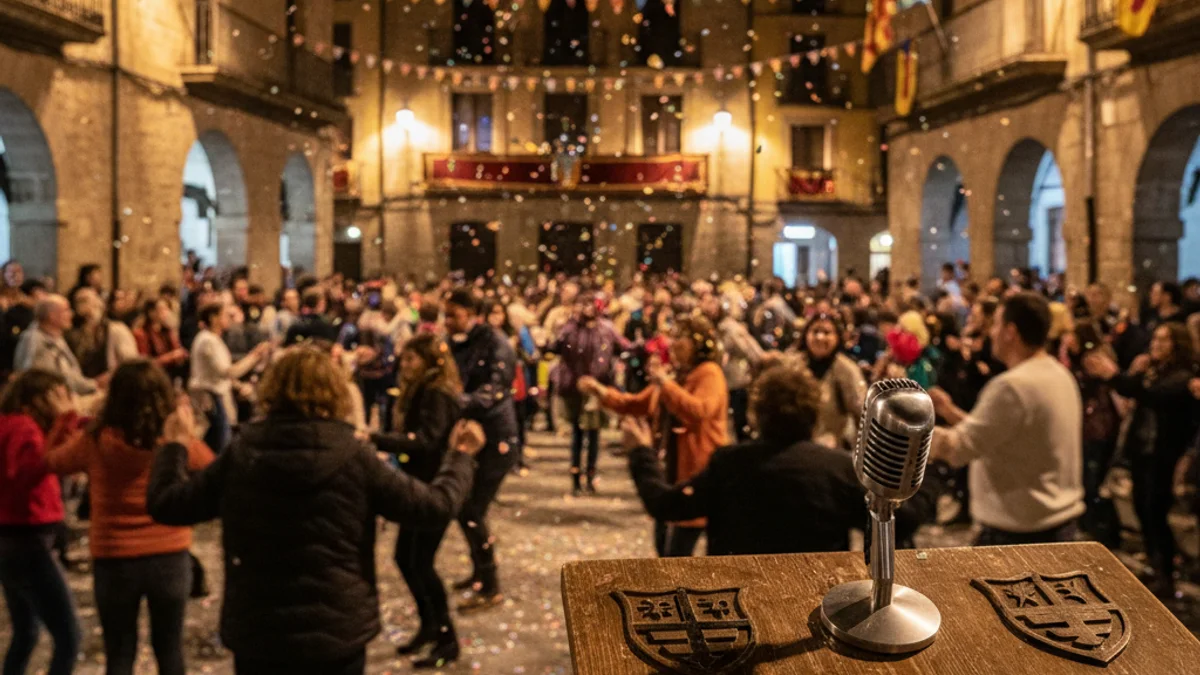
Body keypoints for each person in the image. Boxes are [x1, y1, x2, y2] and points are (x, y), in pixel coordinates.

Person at [146, 346, 482, 675]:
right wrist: (461, 456)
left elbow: (169, 505)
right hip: (337, 628)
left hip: (260, 630)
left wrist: (175, 446)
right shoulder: (353, 454)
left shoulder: (242, 453)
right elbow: (434, 507)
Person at [624, 362, 934, 555]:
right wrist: (917, 450)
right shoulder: (837, 468)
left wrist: (640, 453)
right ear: (813, 415)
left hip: (741, 603)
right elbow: (903, 518)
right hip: (814, 605)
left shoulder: (730, 464)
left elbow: (665, 504)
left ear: (756, 415)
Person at [44, 360, 214, 675]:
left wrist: (65, 418)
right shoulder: (172, 441)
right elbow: (210, 467)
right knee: (170, 650)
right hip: (169, 552)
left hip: (114, 556)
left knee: (120, 654)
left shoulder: (94, 441)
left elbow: (52, 461)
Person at [929, 292, 1085, 545]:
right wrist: (950, 411)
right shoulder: (1059, 374)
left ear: (1011, 332)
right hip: (1056, 525)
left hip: (1018, 532)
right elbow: (999, 435)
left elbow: (959, 449)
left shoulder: (1012, 386)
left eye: (997, 325)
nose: (992, 333)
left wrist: (906, 431)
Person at [580, 314, 729, 557]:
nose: (673, 343)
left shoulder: (709, 373)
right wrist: (601, 392)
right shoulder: (675, 375)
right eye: (674, 336)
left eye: (681, 337)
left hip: (697, 475)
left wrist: (665, 384)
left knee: (677, 551)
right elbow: (638, 404)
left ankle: (679, 592)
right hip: (669, 472)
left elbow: (699, 411)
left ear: (699, 344)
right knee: (665, 544)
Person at [1083, 322, 1199, 597]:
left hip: (1164, 453)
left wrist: (1114, 374)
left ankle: (1165, 574)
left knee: (1156, 511)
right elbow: (1134, 388)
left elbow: (1154, 396)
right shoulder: (1153, 370)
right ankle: (1155, 564)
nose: (1156, 344)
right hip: (1142, 450)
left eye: (1163, 340)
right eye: (1155, 339)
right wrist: (1128, 374)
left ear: (1177, 345)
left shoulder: (1182, 376)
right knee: (1143, 508)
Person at [371, 333, 464, 666]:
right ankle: (429, 626)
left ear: (428, 361)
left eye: (411, 359)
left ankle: (446, 637)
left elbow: (427, 440)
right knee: (405, 558)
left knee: (420, 562)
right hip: (418, 484)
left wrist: (377, 440)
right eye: (404, 358)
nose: (404, 364)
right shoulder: (421, 390)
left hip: (433, 487)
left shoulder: (436, 393)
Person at [443, 289, 521, 610]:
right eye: (446, 315)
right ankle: (479, 573)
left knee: (472, 510)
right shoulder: (457, 342)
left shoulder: (496, 344)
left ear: (473, 313)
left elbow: (493, 391)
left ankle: (490, 585)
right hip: (473, 436)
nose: (448, 322)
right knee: (466, 510)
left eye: (454, 315)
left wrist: (452, 402)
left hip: (496, 438)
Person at [0, 369, 82, 675]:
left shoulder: (12, 424)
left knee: (26, 632)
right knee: (69, 637)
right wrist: (66, 421)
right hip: (27, 537)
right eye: (58, 395)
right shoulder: (22, 428)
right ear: (39, 399)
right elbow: (30, 471)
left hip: (14, 537)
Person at [548, 293, 625, 494]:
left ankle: (590, 476)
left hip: (596, 388)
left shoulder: (606, 329)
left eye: (591, 304)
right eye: (584, 304)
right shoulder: (570, 328)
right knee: (577, 434)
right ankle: (575, 478)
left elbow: (623, 347)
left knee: (594, 433)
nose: (588, 308)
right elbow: (555, 347)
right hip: (574, 387)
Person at [188, 302, 270, 451]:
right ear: (213, 318)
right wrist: (255, 356)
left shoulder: (213, 339)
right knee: (219, 444)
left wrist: (239, 385)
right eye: (225, 315)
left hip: (215, 395)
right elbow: (228, 372)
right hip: (210, 396)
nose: (229, 319)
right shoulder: (207, 340)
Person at [795, 312, 866, 450]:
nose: (820, 337)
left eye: (827, 332)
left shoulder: (847, 370)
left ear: (837, 337)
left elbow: (863, 414)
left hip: (831, 452)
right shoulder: (793, 365)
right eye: (815, 332)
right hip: (796, 450)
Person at [14, 295, 104, 397]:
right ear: (52, 315)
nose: (71, 314)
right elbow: (52, 380)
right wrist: (95, 384)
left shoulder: (55, 336)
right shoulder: (34, 341)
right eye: (66, 310)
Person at [134, 298, 189, 383]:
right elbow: (144, 363)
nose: (165, 313)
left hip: (170, 376)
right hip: (151, 378)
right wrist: (171, 356)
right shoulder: (141, 334)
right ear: (151, 313)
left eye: (166, 309)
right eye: (161, 309)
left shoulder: (167, 331)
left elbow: (177, 349)